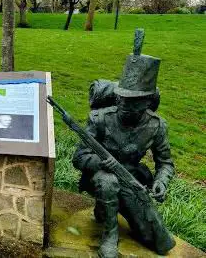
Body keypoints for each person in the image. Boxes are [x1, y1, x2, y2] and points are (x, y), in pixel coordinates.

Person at [73, 46, 175, 257]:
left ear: (147, 101)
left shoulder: (156, 126)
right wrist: (99, 163)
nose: (126, 106)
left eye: (135, 103)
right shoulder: (100, 119)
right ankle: (110, 237)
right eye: (123, 100)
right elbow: (79, 156)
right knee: (108, 182)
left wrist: (161, 182)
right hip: (100, 178)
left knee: (154, 239)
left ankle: (105, 209)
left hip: (132, 180)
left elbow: (165, 162)